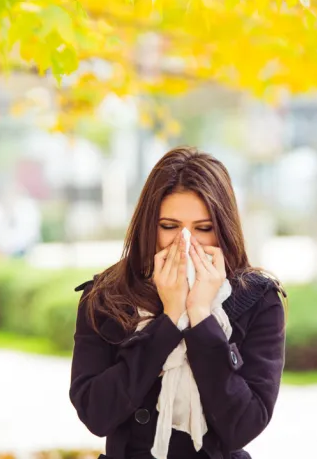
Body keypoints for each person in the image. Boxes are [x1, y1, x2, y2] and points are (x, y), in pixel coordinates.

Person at [69, 146, 287, 459]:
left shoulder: (256, 299)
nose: (185, 243)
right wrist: (168, 320)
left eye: (204, 228)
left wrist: (200, 316)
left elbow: (243, 425)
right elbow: (96, 414)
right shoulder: (106, 297)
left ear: (223, 229)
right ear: (149, 227)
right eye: (169, 227)